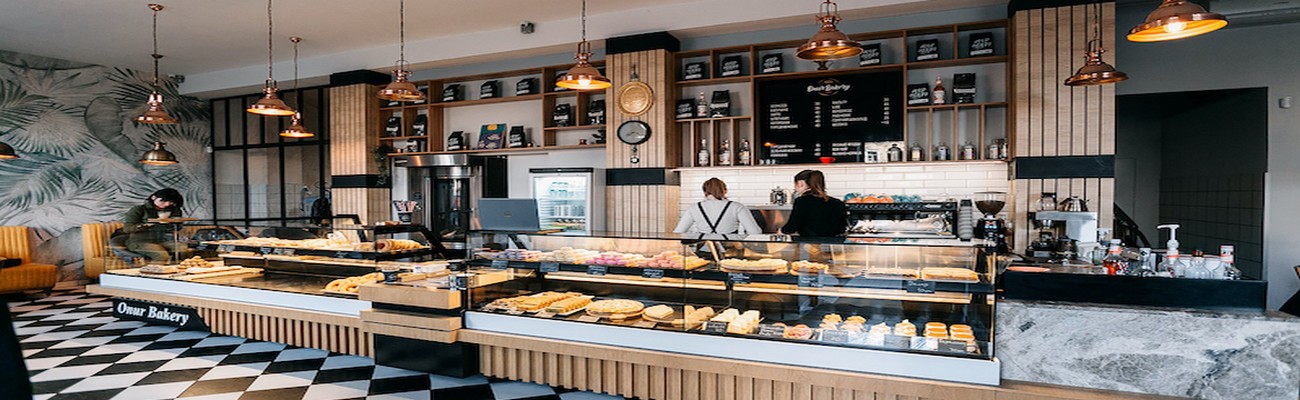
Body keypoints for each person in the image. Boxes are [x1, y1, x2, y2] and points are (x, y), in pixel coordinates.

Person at [673, 178, 763, 235]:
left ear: (705, 192)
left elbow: (678, 232)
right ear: (725, 191)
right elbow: (755, 232)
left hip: (703, 250)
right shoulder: (737, 207)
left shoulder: (694, 208)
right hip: (730, 251)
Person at [122, 188, 189, 263]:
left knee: (182, 249)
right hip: (140, 241)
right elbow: (127, 229)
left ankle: (174, 269)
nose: (167, 204)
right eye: (163, 201)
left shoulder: (173, 210)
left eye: (171, 202)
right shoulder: (139, 209)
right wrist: (145, 225)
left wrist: (174, 222)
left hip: (163, 240)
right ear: (153, 197)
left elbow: (178, 228)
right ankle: (153, 272)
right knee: (161, 255)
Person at [781, 170, 847, 236]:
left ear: (800, 183)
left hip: (809, 243)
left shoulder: (802, 201)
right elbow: (841, 229)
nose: (794, 187)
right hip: (832, 243)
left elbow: (792, 227)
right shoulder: (837, 203)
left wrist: (782, 231)